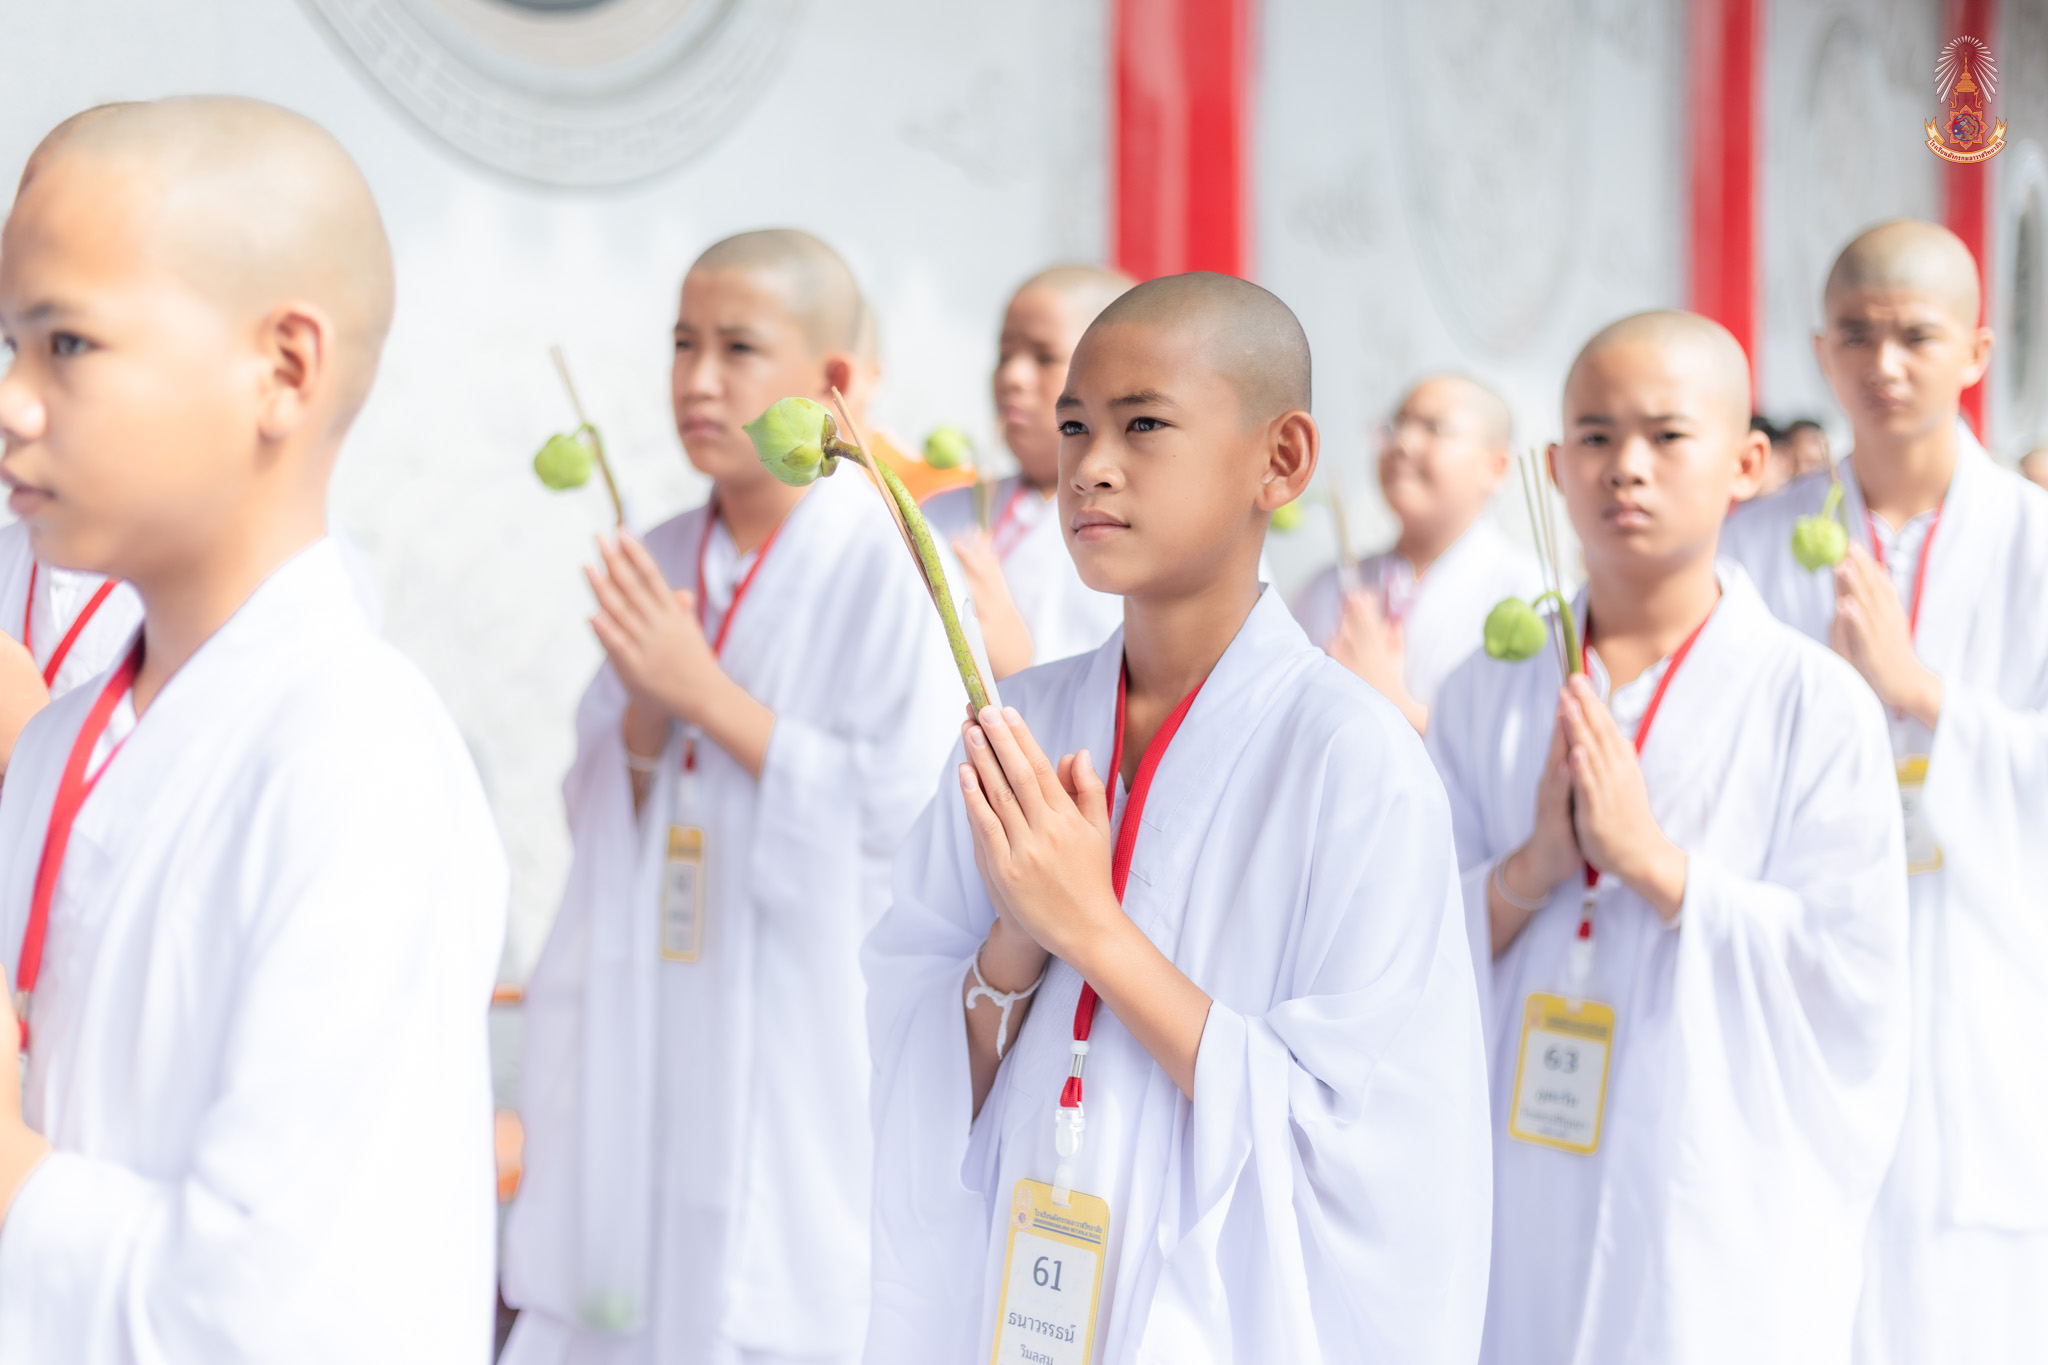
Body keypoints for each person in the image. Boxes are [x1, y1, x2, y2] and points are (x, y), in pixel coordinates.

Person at [864, 272, 1491, 1364]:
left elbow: (1372, 1146)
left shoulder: (1355, 759)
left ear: (1279, 459)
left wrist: (1089, 928)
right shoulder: (1020, 720)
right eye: (1074, 427)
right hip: (1017, 1277)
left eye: (1142, 424)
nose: (1090, 466)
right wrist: (1017, 936)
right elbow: (906, 1045)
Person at [0, 97, 506, 1361]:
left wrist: (11, 1181)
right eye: (10, 344)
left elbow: (284, 1309)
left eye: (66, 344)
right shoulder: (62, 747)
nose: (13, 402)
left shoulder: (363, 762)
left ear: (285, 369)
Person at [500, 229, 963, 1365]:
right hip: (660, 993)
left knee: (774, 1278)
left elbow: (902, 819)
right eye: (682, 344)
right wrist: (645, 717)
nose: (698, 381)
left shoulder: (891, 559)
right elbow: (598, 799)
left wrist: (702, 694)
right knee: (642, 1256)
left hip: (802, 1016)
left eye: (738, 349)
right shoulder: (660, 554)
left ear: (832, 380)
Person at [1430, 310, 1908, 1364]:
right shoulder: (1484, 692)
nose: (1626, 467)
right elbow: (1402, 948)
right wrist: (1530, 871)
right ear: (1552, 467)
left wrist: (1657, 867)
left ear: (1745, 466)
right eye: (1595, 437)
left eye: (1666, 435)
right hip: (1514, 1170)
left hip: (1709, 1181)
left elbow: (1854, 979)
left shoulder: (1812, 702)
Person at [1720, 219, 2048, 1365]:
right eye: (1854, 335)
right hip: (1799, 945)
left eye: (1915, 334)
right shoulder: (1750, 544)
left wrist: (1921, 696)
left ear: (1975, 350)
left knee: (1960, 1280)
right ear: (1820, 349)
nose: (1884, 363)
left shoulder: (2033, 542)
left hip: (1978, 954)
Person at [1288, 374, 1541, 733]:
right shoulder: (1323, 589)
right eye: (1396, 426)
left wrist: (1390, 702)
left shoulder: (1530, 595)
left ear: (1497, 465)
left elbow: (1522, 754)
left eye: (1434, 428)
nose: (1402, 443)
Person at [924, 266, 1133, 678]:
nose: (1011, 377)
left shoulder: (1127, 526)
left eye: (1044, 357)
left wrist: (1015, 666)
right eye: (1005, 356)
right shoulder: (938, 514)